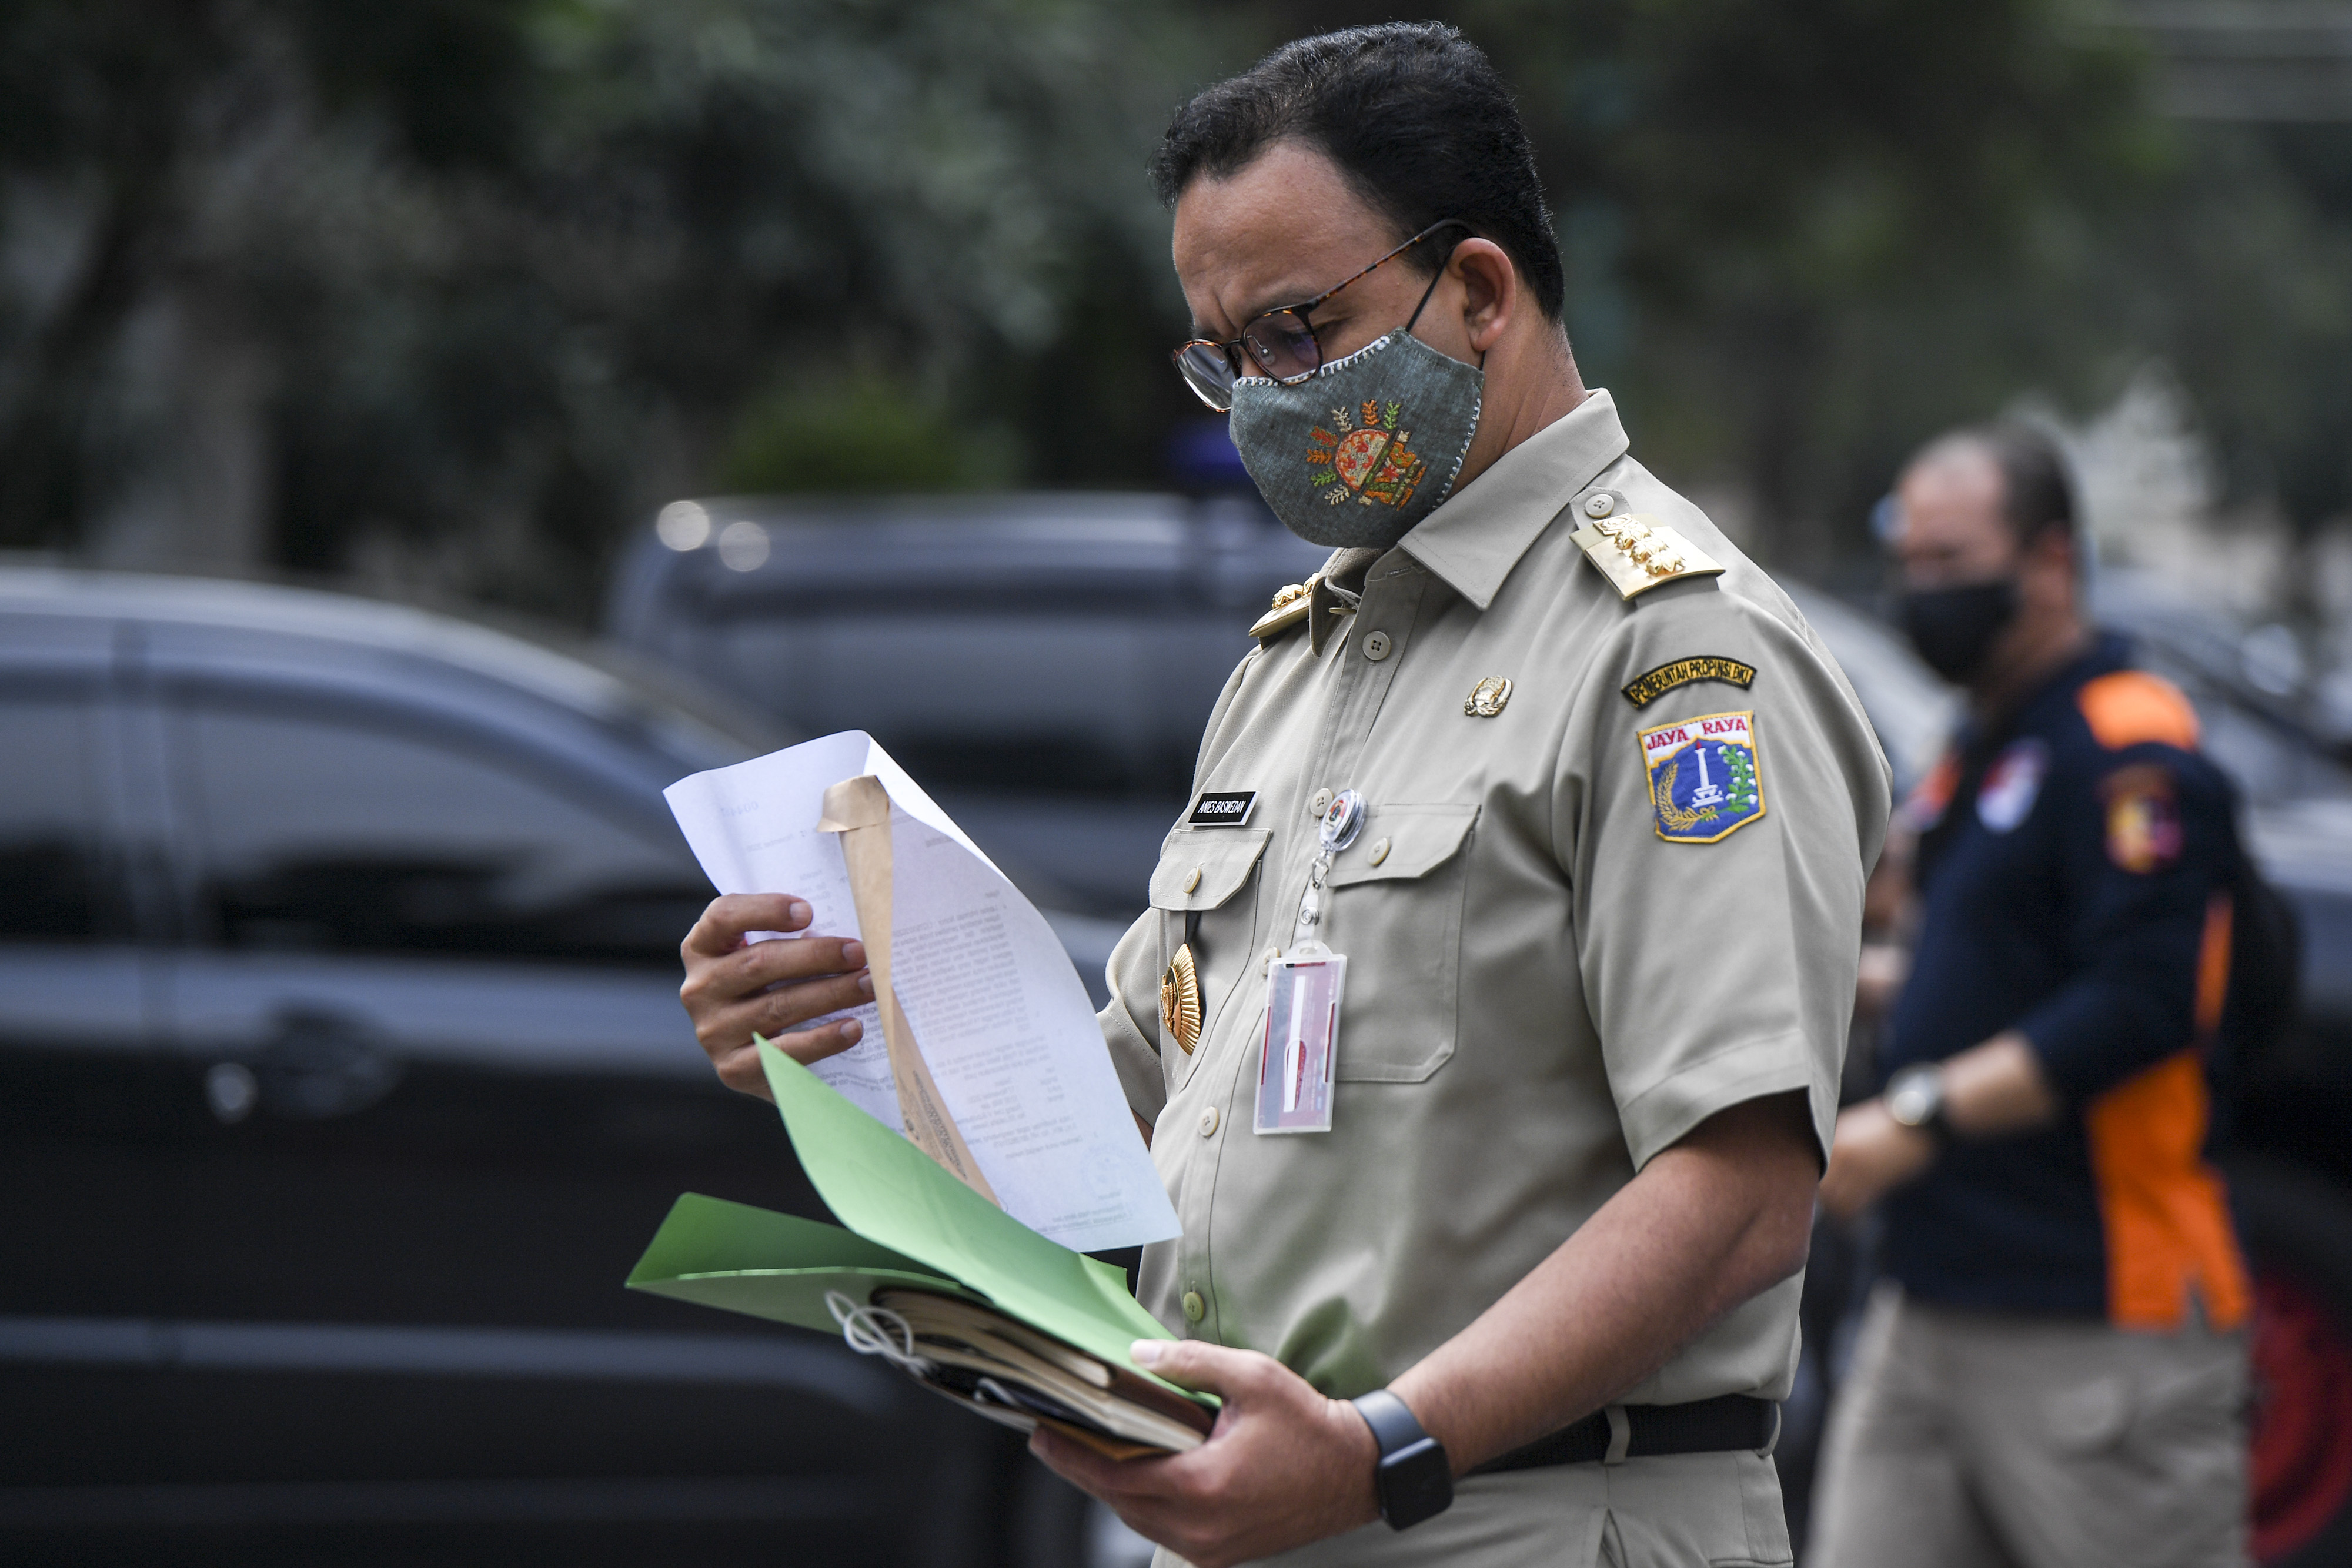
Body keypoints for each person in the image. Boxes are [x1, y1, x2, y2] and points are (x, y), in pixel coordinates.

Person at [678, 24, 1890, 1567]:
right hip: (1248, 1508)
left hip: (1513, 1514)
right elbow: (1119, 1105)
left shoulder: (1672, 651)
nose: (1261, 394)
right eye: (1226, 354)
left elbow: (1741, 1190)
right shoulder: (1303, 655)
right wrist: (826, 1033)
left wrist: (1380, 1450)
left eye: (1300, 331)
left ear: (1478, 294)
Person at [1809, 423, 2253, 1568]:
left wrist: (1913, 1118)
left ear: (2049, 560)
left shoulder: (2126, 741)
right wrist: (1820, 986)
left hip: (2095, 1315)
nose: (1921, 590)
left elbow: (2139, 1001)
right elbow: (1984, 981)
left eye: (1950, 562)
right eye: (1908, 561)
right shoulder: (1984, 747)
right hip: (1925, 1304)